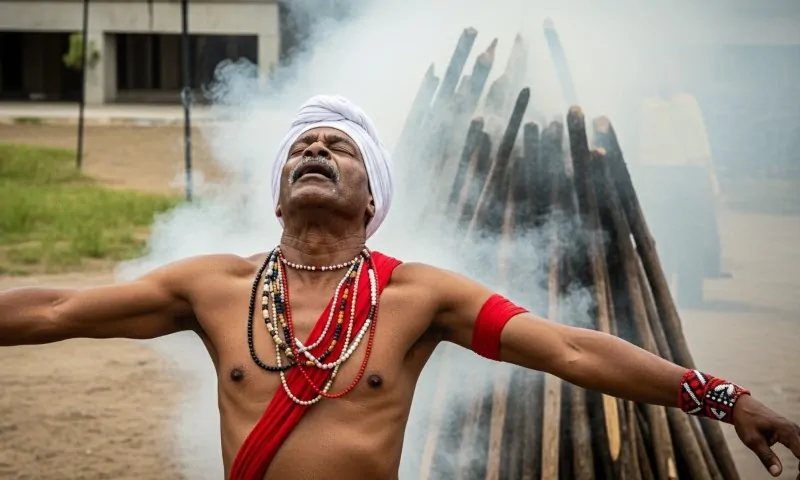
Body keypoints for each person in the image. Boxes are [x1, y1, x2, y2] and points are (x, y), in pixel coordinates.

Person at [1, 95, 798, 480]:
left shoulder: (418, 297)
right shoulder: (212, 286)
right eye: (301, 145)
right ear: (279, 196)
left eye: (337, 146)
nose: (314, 149)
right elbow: (59, 309)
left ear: (372, 196)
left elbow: (570, 349)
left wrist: (722, 398)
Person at [634, 58, 724, 307]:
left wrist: (710, 178)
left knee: (690, 237)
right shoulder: (646, 107)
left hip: (688, 174)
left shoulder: (688, 103)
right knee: (660, 236)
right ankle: (659, 294)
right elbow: (641, 146)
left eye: (672, 74)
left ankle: (690, 295)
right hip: (657, 174)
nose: (667, 80)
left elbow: (701, 142)